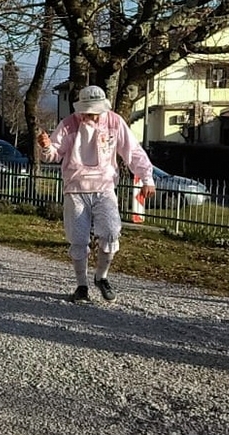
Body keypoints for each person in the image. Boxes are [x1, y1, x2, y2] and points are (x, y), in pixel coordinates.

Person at [37, 85, 156, 303]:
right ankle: (81, 285)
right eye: (87, 111)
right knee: (78, 239)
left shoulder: (114, 122)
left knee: (111, 232)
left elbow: (133, 151)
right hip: (76, 188)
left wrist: (147, 178)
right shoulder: (69, 124)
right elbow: (53, 155)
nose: (91, 115)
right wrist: (46, 147)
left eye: (95, 112)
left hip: (105, 187)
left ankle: (101, 277)